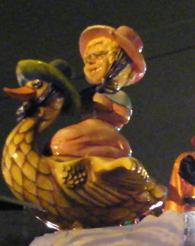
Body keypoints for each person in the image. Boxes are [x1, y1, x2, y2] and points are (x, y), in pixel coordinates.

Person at [49, 25, 146, 159]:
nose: (91, 62)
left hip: (105, 134)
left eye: (99, 55)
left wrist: (97, 113)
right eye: (88, 59)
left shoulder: (117, 95)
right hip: (85, 131)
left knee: (62, 140)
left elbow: (122, 117)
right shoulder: (87, 94)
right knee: (52, 146)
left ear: (119, 61)